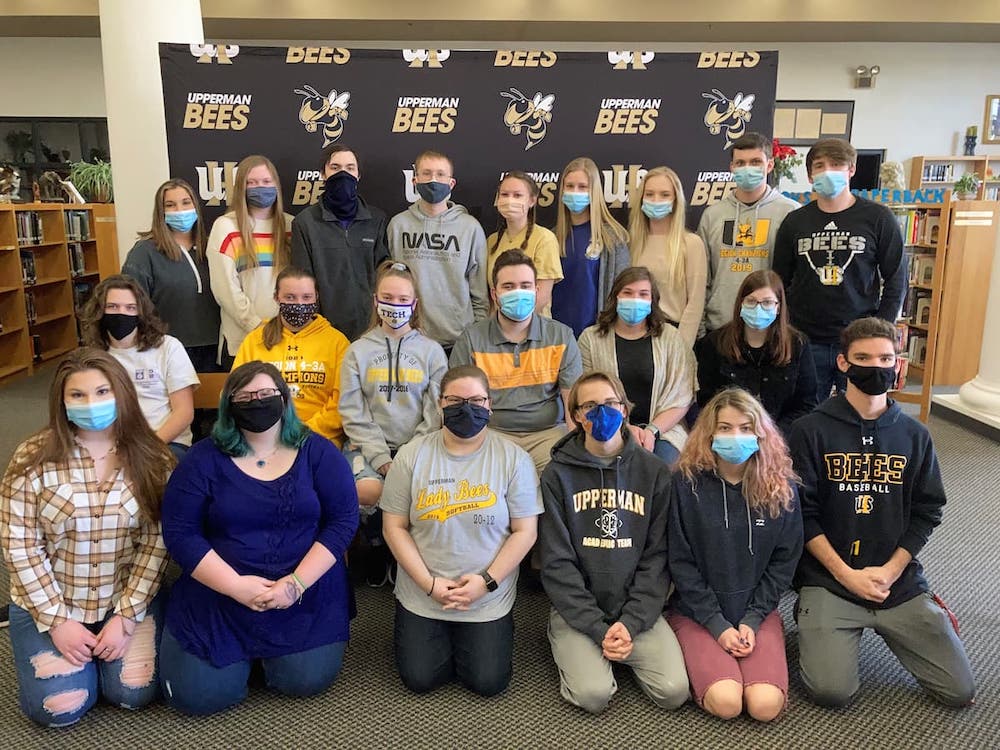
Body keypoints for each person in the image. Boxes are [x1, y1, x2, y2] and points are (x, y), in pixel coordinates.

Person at [789, 317, 975, 708]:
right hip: (830, 580)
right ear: (843, 363)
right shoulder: (809, 430)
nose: (876, 367)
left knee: (959, 691)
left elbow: (927, 511)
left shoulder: (915, 435)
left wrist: (890, 571)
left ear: (897, 364)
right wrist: (846, 575)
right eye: (863, 358)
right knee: (831, 691)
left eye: (885, 359)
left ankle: (925, 610)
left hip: (895, 581)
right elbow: (802, 513)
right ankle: (815, 619)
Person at [159, 361, 358, 715]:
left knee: (305, 680)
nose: (257, 402)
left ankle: (260, 663)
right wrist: (235, 586)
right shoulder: (201, 459)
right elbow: (180, 532)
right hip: (219, 591)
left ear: (284, 398)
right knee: (196, 696)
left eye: (266, 394)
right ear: (229, 405)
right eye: (245, 397)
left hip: (302, 591)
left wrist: (295, 584)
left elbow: (343, 521)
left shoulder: (319, 452)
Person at [1, 348, 174, 727]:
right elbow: (20, 545)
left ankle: (98, 667)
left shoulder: (153, 457)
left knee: (133, 692)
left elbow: (157, 543)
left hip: (123, 599)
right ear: (61, 401)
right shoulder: (32, 457)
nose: (91, 404)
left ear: (121, 393)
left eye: (102, 391)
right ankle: (79, 668)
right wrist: (57, 622)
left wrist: (126, 616)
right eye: (77, 395)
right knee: (60, 708)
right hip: (54, 602)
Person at [380, 364, 542, 696]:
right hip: (424, 589)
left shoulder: (514, 459)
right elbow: (394, 526)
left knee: (487, 682)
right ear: (440, 404)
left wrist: (487, 581)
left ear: (490, 405)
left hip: (487, 592)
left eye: (477, 400)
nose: (467, 409)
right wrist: (429, 584)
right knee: (420, 679)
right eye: (455, 401)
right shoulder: (411, 455)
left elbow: (525, 531)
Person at [539, 370, 689, 714]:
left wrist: (631, 622)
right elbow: (557, 562)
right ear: (577, 416)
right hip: (578, 611)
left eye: (610, 403)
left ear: (624, 408)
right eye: (590, 406)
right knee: (593, 696)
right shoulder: (557, 475)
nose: (602, 413)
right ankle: (575, 639)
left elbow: (657, 557)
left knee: (674, 691)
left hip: (634, 608)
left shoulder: (654, 472)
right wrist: (595, 627)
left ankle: (617, 642)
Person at [667, 388, 802, 722]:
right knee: (726, 702)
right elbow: (680, 563)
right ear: (709, 433)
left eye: (745, 428)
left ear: (760, 433)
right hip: (697, 612)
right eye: (725, 428)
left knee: (765, 706)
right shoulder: (684, 484)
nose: (735, 436)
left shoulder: (781, 486)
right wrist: (717, 625)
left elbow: (784, 562)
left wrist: (753, 619)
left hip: (757, 612)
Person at [772, 138, 906, 400]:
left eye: (836, 164)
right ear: (810, 176)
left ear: (851, 169)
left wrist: (881, 330)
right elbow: (779, 280)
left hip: (860, 339)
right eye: (819, 166)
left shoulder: (878, 218)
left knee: (861, 410)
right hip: (807, 338)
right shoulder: (795, 221)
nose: (828, 171)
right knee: (806, 412)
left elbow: (896, 279)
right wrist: (785, 330)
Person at [450, 250, 583, 476]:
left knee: (561, 481)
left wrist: (575, 454)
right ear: (494, 294)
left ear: (536, 291)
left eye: (525, 285)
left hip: (549, 435)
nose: (518, 292)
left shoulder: (561, 336)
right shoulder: (471, 339)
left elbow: (573, 403)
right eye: (509, 286)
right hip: (492, 434)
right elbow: (459, 403)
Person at [339, 260, 448, 508]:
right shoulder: (357, 351)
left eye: (403, 299)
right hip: (366, 447)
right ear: (376, 301)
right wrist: (380, 457)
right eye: (387, 298)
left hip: (419, 447)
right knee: (368, 491)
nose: (395, 305)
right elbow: (353, 412)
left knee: (420, 493)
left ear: (414, 304)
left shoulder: (432, 352)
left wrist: (410, 453)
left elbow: (435, 412)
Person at [579, 267, 695, 465]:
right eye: (628, 293)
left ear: (652, 300)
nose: (635, 299)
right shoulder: (590, 338)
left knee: (662, 468)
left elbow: (682, 397)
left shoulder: (671, 338)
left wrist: (651, 431)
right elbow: (585, 395)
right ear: (616, 297)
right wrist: (624, 428)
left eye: (643, 294)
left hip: (664, 431)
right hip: (606, 426)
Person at [80, 275, 199, 460]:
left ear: (141, 312)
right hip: (110, 442)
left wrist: (147, 448)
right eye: (112, 307)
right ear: (100, 311)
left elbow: (184, 412)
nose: (121, 313)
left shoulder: (168, 347)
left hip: (163, 441)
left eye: (130, 308)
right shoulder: (92, 355)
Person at [696, 132, 800, 338]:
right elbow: (702, 278)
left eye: (755, 162)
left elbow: (795, 279)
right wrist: (700, 329)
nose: (747, 168)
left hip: (771, 328)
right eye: (740, 163)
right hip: (721, 326)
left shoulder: (791, 212)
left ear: (769, 165)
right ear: (732, 167)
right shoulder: (712, 215)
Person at [233, 266, 350, 447]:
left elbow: (343, 402)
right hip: (262, 438)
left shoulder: (337, 342)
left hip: (319, 439)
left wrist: (303, 432)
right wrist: (268, 433)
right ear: (276, 297)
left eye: (306, 297)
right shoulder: (254, 340)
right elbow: (236, 393)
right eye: (290, 297)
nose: (299, 304)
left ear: (316, 297)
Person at [387, 149, 488, 352]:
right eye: (427, 173)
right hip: (409, 337)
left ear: (451, 183)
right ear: (415, 180)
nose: (433, 180)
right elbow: (389, 281)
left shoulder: (470, 228)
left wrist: (476, 335)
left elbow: (479, 291)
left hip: (458, 340)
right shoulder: (398, 225)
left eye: (440, 174)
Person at [695, 270, 817, 434]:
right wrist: (739, 430)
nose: (758, 308)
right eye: (751, 301)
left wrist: (772, 434)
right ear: (741, 304)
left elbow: (806, 404)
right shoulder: (715, 343)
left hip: (782, 435)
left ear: (778, 307)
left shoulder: (798, 345)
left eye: (767, 302)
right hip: (730, 434)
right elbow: (707, 401)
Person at [290, 144, 390, 341]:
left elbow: (384, 275)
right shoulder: (304, 223)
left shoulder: (377, 220)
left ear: (358, 175)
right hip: (323, 333)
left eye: (350, 168)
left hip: (371, 332)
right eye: (335, 168)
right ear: (323, 174)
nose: (343, 174)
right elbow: (302, 284)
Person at [122, 178, 223, 372]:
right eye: (170, 205)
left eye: (186, 203)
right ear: (161, 212)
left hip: (215, 348)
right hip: (167, 349)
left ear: (196, 206)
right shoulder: (145, 252)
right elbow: (132, 305)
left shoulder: (211, 247)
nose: (180, 210)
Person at [207, 154, 293, 367]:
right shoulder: (226, 227)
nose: (260, 187)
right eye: (251, 182)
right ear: (241, 188)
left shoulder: (291, 226)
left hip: (287, 340)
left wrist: (286, 328)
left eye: (266, 181)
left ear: (276, 185)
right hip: (241, 343)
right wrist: (256, 325)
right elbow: (225, 289)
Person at [551, 156, 630, 337]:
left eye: (582, 187)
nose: (575, 192)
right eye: (570, 186)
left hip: (596, 335)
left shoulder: (613, 238)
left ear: (594, 190)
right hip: (556, 335)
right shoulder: (552, 237)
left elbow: (622, 291)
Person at [629, 166, 707, 346]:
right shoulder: (630, 243)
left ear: (675, 200)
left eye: (664, 195)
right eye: (649, 194)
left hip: (673, 335)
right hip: (635, 333)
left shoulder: (691, 244)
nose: (656, 200)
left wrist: (681, 347)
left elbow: (695, 304)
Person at [485, 171, 562, 315]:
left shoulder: (544, 239)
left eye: (517, 195)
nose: (510, 200)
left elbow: (542, 297)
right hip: (496, 325)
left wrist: (514, 323)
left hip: (533, 325)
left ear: (532, 201)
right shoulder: (492, 241)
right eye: (504, 194)